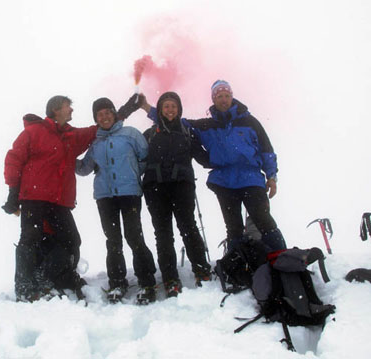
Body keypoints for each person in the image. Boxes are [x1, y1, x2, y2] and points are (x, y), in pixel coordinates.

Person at [140, 80, 286, 256]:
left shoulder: (249, 122)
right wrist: (147, 107)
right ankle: (239, 266)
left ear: (232, 97)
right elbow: (172, 120)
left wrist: (271, 176)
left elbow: (266, 149)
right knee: (233, 227)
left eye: (226, 96)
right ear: (214, 99)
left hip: (251, 179)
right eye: (219, 96)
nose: (223, 100)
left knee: (263, 220)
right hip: (225, 182)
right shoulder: (206, 125)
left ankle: (284, 259)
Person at [2, 95, 98, 302]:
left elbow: (95, 130)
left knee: (71, 240)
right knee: (30, 239)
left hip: (59, 201)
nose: (71, 110)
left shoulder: (71, 136)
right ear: (56, 109)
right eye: (68, 107)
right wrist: (13, 191)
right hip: (33, 197)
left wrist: (125, 111)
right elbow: (14, 159)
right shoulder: (34, 131)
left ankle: (52, 277)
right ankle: (25, 287)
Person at [76, 97, 157, 305]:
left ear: (114, 113)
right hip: (105, 196)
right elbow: (84, 168)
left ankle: (147, 282)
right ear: (96, 118)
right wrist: (65, 157)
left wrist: (133, 174)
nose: (104, 117)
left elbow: (145, 157)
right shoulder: (96, 142)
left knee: (134, 237)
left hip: (129, 193)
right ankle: (117, 282)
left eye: (107, 112)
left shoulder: (130, 134)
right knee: (113, 241)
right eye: (99, 114)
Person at [140, 91, 212, 297]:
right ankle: (170, 278)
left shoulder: (187, 131)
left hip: (182, 187)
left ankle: (201, 270)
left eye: (173, 106)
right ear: (160, 110)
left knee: (188, 227)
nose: (170, 110)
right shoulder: (150, 133)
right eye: (166, 106)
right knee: (163, 234)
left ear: (179, 109)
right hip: (155, 189)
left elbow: (204, 159)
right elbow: (135, 156)